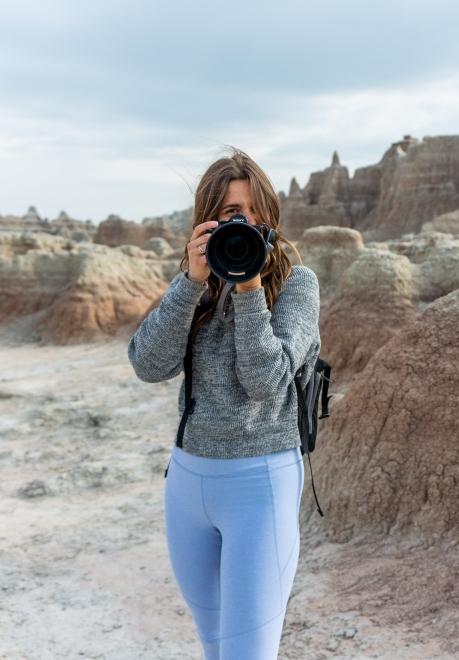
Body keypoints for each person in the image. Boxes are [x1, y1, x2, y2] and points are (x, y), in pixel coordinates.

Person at [127, 147, 321, 660]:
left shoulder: (297, 285)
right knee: (216, 650)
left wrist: (249, 288)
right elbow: (147, 364)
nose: (249, 226)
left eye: (258, 214)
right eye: (235, 215)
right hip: (187, 486)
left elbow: (266, 382)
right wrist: (192, 283)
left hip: (260, 486)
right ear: (207, 222)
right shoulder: (196, 287)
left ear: (273, 220)